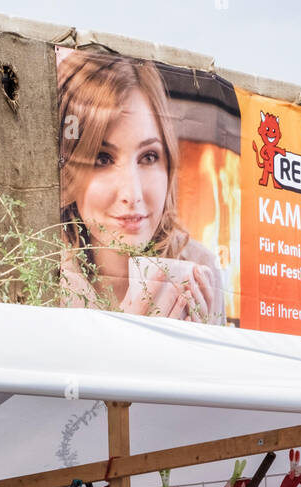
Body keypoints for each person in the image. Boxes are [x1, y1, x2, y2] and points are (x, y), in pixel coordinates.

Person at [56, 50, 224, 323]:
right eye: (102, 158)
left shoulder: (198, 266)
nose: (132, 195)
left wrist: (202, 344)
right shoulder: (44, 274)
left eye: (148, 157)